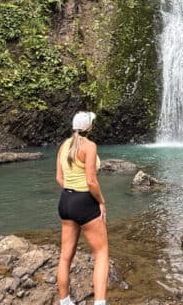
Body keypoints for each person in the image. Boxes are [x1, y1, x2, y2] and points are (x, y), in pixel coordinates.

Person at [56, 111, 108, 305]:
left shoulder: (64, 146)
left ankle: (65, 301)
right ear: (89, 128)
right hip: (85, 202)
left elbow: (59, 179)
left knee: (65, 256)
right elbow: (91, 181)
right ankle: (100, 302)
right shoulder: (90, 146)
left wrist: (72, 194)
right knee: (101, 253)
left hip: (65, 201)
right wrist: (101, 201)